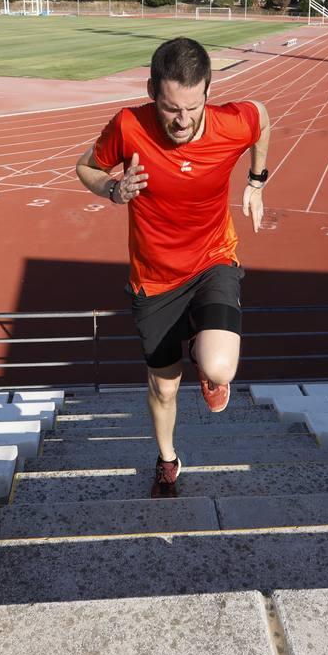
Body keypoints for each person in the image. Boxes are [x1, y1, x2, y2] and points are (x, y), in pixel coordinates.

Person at [74, 37, 271, 496]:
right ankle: (167, 458)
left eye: (192, 107)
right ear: (150, 91)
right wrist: (112, 189)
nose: (182, 121)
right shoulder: (128, 126)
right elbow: (85, 167)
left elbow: (263, 117)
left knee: (219, 367)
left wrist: (257, 181)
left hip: (212, 260)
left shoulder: (229, 123)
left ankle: (208, 366)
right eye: (169, 109)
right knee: (164, 389)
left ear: (207, 92)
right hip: (154, 281)